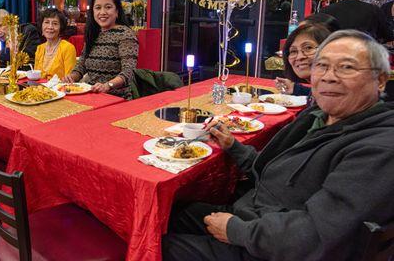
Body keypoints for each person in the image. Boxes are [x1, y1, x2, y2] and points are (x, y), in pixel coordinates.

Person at [163, 29, 394, 261]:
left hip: (272, 248)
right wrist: (233, 145)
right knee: (161, 215)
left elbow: (318, 235)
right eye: (321, 66)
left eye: (347, 67)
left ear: (381, 80)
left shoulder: (379, 148)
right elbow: (272, 173)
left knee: (153, 244)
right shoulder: (319, 116)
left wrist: (237, 231)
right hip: (258, 218)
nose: (329, 77)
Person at [62, 0, 138, 99]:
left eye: (108, 7)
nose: (102, 12)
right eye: (98, 8)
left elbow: (129, 72)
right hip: (92, 95)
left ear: (117, 12)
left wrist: (108, 85)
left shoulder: (125, 34)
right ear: (92, 12)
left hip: (117, 98)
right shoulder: (93, 33)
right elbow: (81, 65)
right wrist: (72, 77)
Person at [275, 24, 331, 96]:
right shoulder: (323, 91)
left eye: (308, 48)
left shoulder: (338, 96)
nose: (299, 57)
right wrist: (295, 88)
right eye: (293, 51)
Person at [34, 8, 76, 79]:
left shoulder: (68, 48)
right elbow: (36, 77)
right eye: (46, 22)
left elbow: (69, 80)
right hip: (40, 89)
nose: (50, 27)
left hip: (60, 89)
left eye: (55, 23)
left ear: (61, 28)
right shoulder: (39, 48)